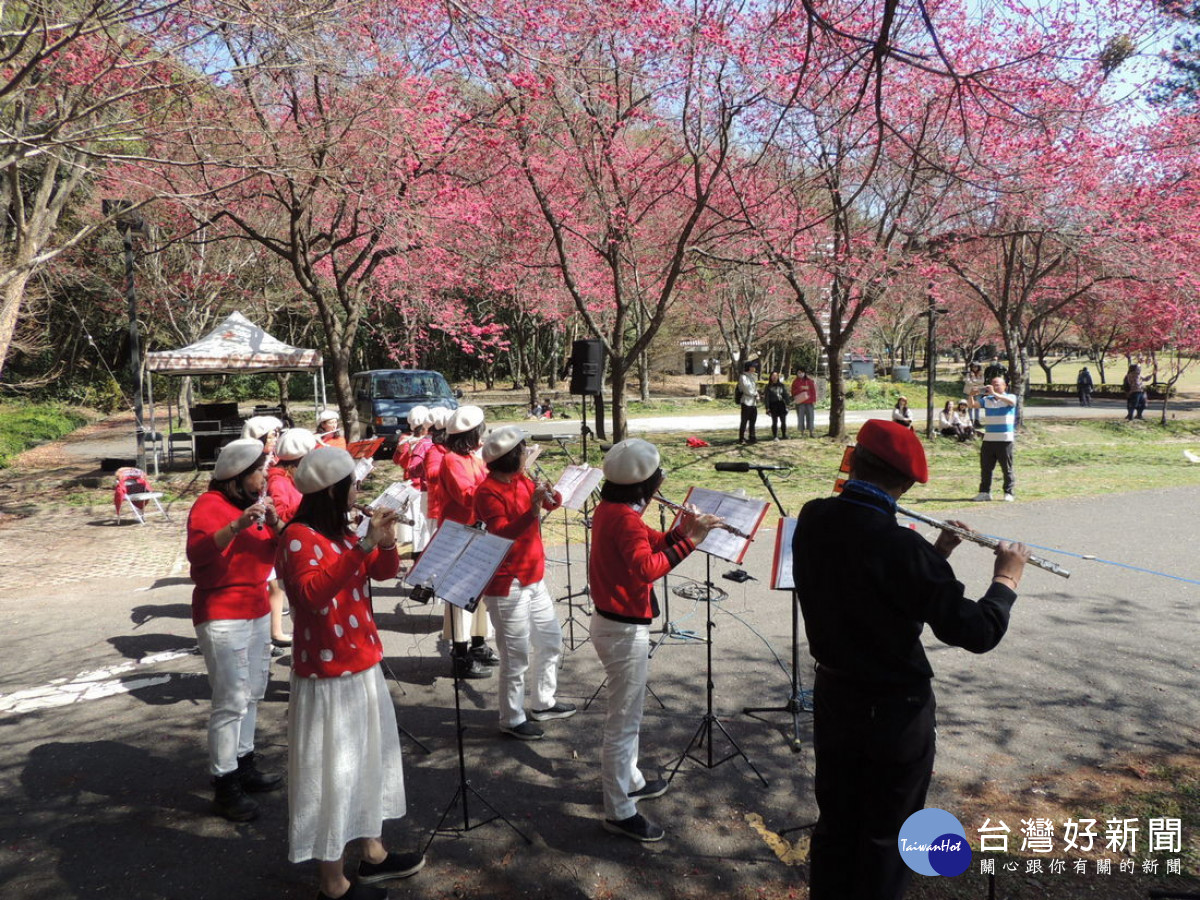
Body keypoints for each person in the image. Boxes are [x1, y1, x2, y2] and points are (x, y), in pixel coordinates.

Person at [792, 419, 1030, 900]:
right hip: (893, 712)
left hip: (835, 697)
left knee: (837, 821)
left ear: (853, 463)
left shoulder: (814, 516)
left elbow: (877, 584)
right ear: (905, 485)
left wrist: (936, 551)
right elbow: (976, 631)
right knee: (885, 833)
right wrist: (1006, 579)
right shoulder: (901, 547)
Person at [276, 447, 424, 900]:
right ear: (333, 490)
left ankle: (373, 853)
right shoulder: (298, 536)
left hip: (360, 659)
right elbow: (310, 596)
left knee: (367, 762)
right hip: (326, 671)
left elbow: (382, 572)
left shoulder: (342, 530)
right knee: (331, 774)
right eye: (354, 485)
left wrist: (383, 539)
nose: (360, 492)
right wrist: (361, 544)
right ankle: (332, 880)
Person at [588, 439, 720, 842]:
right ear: (646, 484)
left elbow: (653, 542)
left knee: (628, 718)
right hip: (621, 628)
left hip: (617, 623)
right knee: (623, 723)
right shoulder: (623, 518)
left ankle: (630, 780)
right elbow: (647, 569)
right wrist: (692, 541)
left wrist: (681, 531)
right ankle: (618, 810)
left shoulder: (614, 510)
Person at [186, 438, 284, 822]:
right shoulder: (209, 506)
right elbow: (199, 554)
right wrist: (236, 526)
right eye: (259, 472)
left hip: (256, 608)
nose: (265, 478)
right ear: (238, 477)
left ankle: (244, 762)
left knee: (254, 691)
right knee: (230, 699)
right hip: (222, 611)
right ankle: (224, 783)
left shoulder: (253, 506)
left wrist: (275, 522)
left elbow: (274, 551)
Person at [474, 426, 573, 740]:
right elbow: (502, 532)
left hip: (533, 576)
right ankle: (511, 717)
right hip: (508, 583)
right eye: (522, 450)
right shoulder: (486, 491)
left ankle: (543, 701)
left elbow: (550, 505)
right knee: (515, 657)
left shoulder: (522, 479)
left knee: (550, 641)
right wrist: (531, 510)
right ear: (509, 458)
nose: (527, 453)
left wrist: (549, 494)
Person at [438, 405, 499, 680]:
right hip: (460, 533)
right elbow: (466, 495)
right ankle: (459, 652)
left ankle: (478, 642)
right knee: (460, 593)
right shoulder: (452, 460)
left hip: (479, 530)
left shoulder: (473, 456)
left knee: (480, 592)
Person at [265, 427, 320, 646]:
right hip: (291, 546)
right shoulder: (278, 481)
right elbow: (280, 516)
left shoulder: (292, 477)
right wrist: (310, 501)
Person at [971, 376, 1017, 502]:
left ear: (1004, 386)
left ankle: (1008, 492)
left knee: (1006, 468)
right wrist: (971, 395)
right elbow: (972, 405)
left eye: (997, 384)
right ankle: (984, 492)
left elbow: (1012, 403)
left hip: (1005, 440)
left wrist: (995, 393)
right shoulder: (987, 399)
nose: (994, 386)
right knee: (986, 468)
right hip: (989, 439)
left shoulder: (1010, 397)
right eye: (992, 384)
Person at [790, 367, 818, 437]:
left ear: (804, 373)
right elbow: (793, 392)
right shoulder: (795, 382)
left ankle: (811, 432)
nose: (800, 374)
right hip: (800, 402)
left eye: (802, 372)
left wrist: (814, 400)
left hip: (809, 402)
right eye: (799, 372)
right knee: (800, 417)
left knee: (810, 417)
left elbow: (813, 391)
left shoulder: (809, 381)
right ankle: (802, 433)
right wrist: (800, 388)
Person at [736, 362, 760, 444]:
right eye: (753, 367)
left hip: (753, 402)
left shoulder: (754, 376)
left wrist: (757, 394)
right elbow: (746, 389)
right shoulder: (743, 377)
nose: (754, 368)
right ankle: (741, 438)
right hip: (746, 401)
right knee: (744, 421)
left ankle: (752, 437)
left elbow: (755, 388)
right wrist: (755, 394)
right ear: (749, 368)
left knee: (753, 421)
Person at [765, 371, 790, 440]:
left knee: (783, 421)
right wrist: (767, 408)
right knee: (774, 421)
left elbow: (785, 395)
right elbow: (766, 398)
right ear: (771, 377)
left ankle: (784, 435)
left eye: (776, 376)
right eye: (773, 375)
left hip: (781, 404)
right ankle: (775, 436)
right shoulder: (768, 386)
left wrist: (788, 404)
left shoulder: (781, 385)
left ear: (778, 377)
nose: (774, 377)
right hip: (773, 405)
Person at [963, 362, 985, 428]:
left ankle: (977, 420)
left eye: (976, 367)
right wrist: (976, 382)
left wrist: (974, 380)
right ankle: (970, 420)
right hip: (970, 392)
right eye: (973, 367)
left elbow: (982, 381)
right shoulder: (969, 374)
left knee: (977, 406)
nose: (975, 368)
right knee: (970, 406)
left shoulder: (981, 374)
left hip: (978, 391)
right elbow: (967, 382)